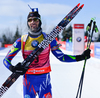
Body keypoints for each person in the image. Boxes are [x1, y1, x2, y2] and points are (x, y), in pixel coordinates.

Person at [3, 7, 91, 98]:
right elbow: (6, 60)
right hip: (28, 81)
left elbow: (62, 57)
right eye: (30, 20)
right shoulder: (22, 40)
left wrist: (80, 57)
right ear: (28, 23)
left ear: (39, 21)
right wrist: (12, 68)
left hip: (44, 81)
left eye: (35, 19)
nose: (33, 22)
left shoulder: (49, 39)